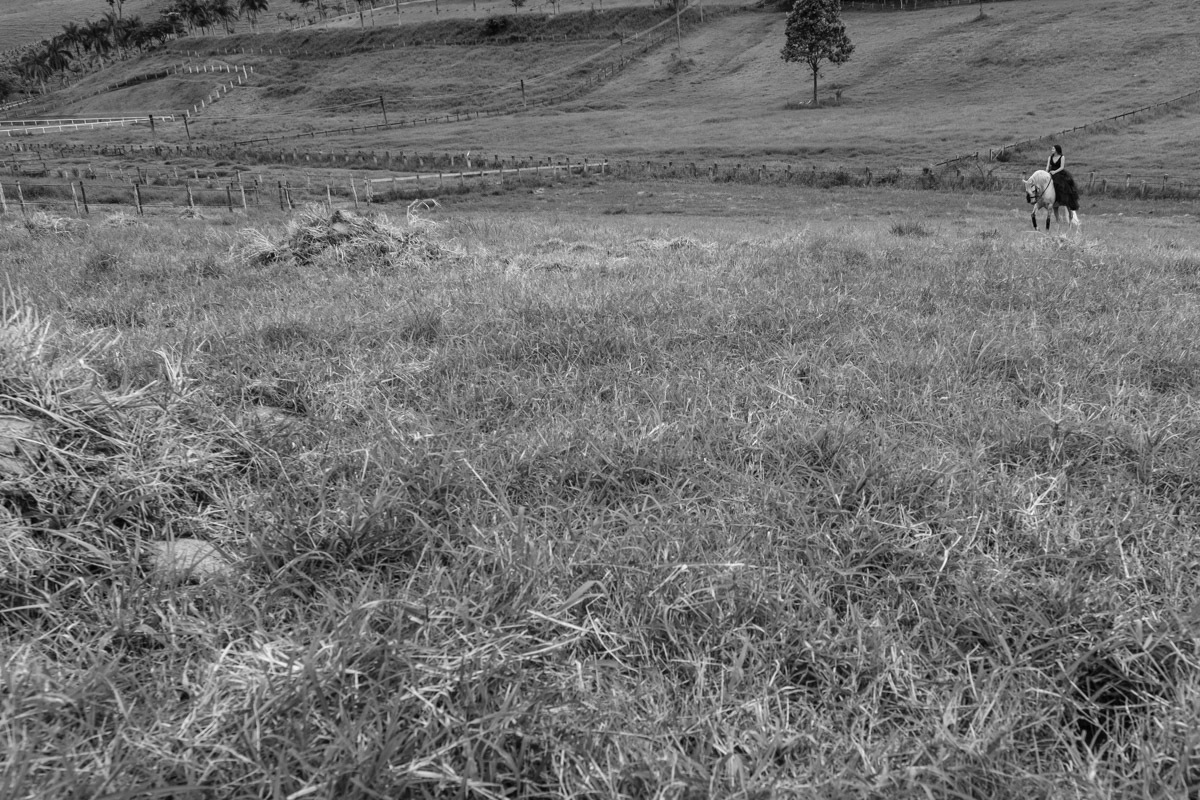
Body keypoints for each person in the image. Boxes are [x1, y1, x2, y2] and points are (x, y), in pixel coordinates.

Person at [1046, 145, 1080, 223]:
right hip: (1051, 173)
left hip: (1059, 174)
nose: (1052, 149)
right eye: (1052, 148)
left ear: (1057, 150)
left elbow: (1062, 167)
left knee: (1060, 186)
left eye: (1053, 148)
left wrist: (1055, 172)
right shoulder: (1049, 157)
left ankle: (1064, 202)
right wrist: (1046, 173)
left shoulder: (1062, 157)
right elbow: (1047, 167)